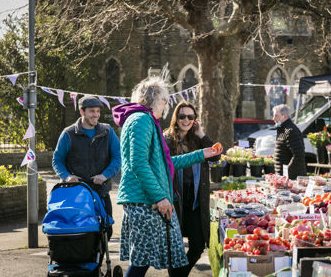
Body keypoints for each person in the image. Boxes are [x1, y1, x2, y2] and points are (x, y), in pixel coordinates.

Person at [111, 76, 222, 277]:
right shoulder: (141, 120)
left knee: (143, 260)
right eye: (164, 100)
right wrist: (160, 197)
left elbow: (166, 163)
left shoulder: (144, 120)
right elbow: (138, 163)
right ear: (154, 100)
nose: (165, 105)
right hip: (143, 201)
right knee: (141, 261)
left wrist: (202, 154)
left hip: (145, 200)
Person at [164, 101, 220, 277]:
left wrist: (202, 134)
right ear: (176, 118)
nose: (186, 120)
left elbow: (215, 160)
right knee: (175, 248)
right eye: (182, 116)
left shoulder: (197, 139)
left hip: (195, 201)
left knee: (197, 245)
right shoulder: (167, 139)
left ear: (195, 119)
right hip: (176, 201)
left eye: (190, 116)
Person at [52, 96, 122, 222]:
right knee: (80, 233)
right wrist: (67, 176)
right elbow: (57, 160)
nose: (96, 115)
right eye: (92, 111)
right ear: (81, 111)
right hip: (75, 193)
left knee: (106, 229)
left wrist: (105, 175)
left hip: (101, 191)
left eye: (98, 111)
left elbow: (118, 158)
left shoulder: (108, 131)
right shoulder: (68, 134)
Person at [273, 104, 307, 180]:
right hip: (284, 179)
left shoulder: (291, 131)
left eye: (276, 116)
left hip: (292, 179)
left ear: (284, 116)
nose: (273, 118)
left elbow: (298, 155)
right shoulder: (282, 129)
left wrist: (286, 174)